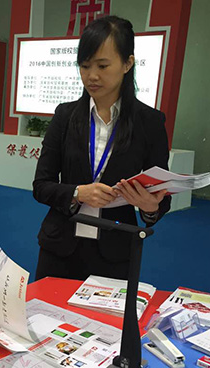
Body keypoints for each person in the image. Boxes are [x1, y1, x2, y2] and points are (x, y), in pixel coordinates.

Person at [33, 15, 171, 282]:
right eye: (84, 66)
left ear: (127, 63)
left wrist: (150, 207)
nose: (92, 76)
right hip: (59, 246)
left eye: (103, 65)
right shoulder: (65, 116)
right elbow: (41, 185)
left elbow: (161, 196)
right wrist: (78, 193)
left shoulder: (150, 122)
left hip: (115, 251)